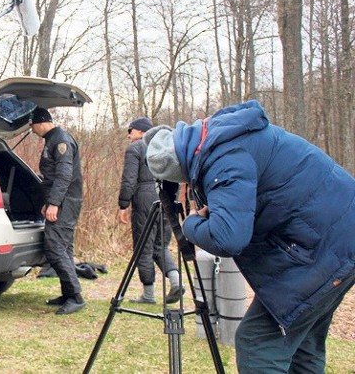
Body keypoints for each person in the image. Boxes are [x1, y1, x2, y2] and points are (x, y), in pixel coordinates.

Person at [144, 100, 355, 372]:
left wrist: (190, 225)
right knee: (303, 343)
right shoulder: (223, 137)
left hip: (324, 246)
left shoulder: (223, 159)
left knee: (257, 341)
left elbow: (227, 238)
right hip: (337, 235)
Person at [117, 117, 183, 304]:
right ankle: (176, 281)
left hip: (144, 199)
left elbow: (128, 180)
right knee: (160, 245)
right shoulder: (167, 145)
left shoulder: (135, 148)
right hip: (167, 198)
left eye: (131, 130)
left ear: (140, 132)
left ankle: (148, 295)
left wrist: (123, 205)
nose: (129, 135)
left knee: (143, 247)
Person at [29, 107, 86, 315]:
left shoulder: (60, 141)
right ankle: (68, 293)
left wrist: (54, 203)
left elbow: (64, 175)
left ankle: (76, 297)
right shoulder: (53, 139)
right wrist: (49, 202)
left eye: (32, 125)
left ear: (41, 122)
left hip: (66, 201)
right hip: (63, 200)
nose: (32, 130)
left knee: (54, 248)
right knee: (64, 248)